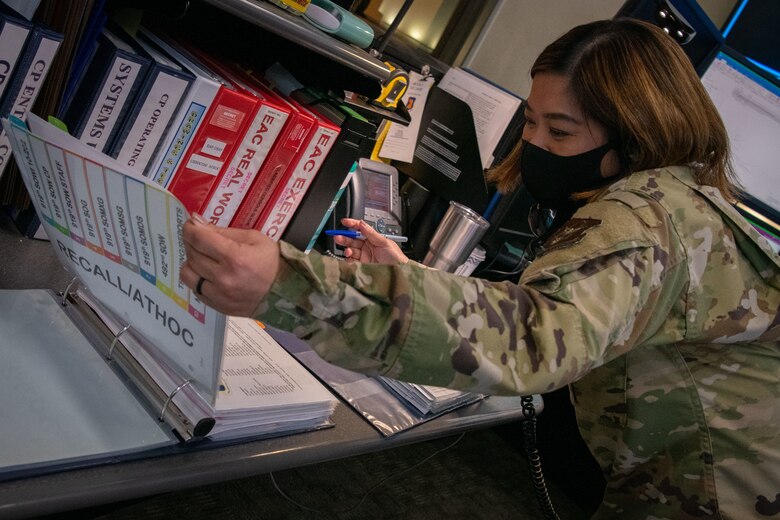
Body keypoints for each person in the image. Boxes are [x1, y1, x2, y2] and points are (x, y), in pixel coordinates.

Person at [180, 18, 780, 519]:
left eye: (560, 131)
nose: (535, 143)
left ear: (635, 137)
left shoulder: (647, 221)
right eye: (532, 121)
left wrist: (290, 285)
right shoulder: (680, 199)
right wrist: (413, 278)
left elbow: (534, 338)